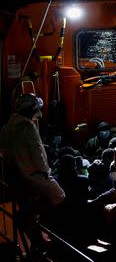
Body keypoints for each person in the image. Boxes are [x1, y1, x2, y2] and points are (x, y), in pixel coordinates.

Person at [0, 93, 66, 246]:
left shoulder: (5, 128)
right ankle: (32, 218)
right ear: (30, 110)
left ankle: (34, 228)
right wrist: (46, 172)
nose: (38, 113)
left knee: (32, 208)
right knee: (59, 195)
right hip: (33, 177)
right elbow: (37, 154)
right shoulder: (28, 128)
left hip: (14, 179)